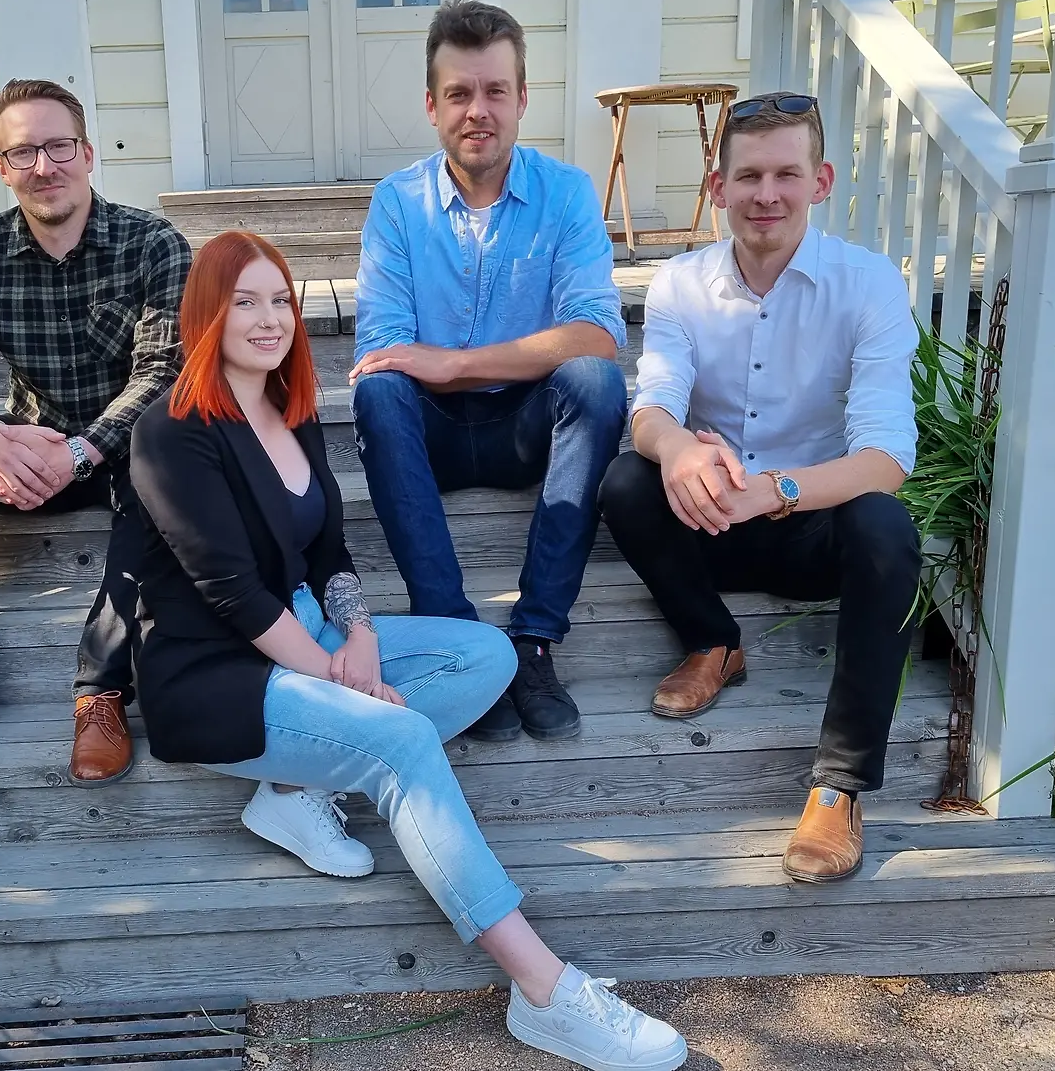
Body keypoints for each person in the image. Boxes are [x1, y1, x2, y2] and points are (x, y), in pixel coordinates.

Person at [130, 231, 688, 1071]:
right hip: (217, 672)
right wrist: (342, 682)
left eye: (280, 300)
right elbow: (232, 593)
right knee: (403, 740)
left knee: (487, 656)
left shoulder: (288, 410)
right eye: (244, 302)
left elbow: (328, 551)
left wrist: (357, 633)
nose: (269, 318)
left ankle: (292, 788)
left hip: (310, 632)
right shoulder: (169, 432)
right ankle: (544, 990)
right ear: (206, 314)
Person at [597, 92, 923, 884]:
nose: (766, 195)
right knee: (629, 481)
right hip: (711, 518)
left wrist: (777, 488)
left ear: (821, 181)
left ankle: (838, 787)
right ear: (718, 187)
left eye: (785, 174)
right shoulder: (679, 283)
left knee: (887, 529)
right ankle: (714, 641)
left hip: (812, 524)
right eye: (748, 176)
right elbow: (653, 407)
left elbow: (886, 457)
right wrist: (680, 448)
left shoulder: (868, 284)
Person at [0, 79, 192, 787]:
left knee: (167, 450)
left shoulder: (153, 244)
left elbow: (164, 371)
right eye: (23, 152)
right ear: (2, 167)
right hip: (28, 453)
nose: (44, 166)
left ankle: (101, 691)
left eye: (58, 147)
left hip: (122, 452)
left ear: (87, 153)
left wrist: (84, 450)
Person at [349, 0, 629, 745]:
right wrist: (440, 367)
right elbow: (383, 348)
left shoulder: (565, 192)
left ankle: (533, 641)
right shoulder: (397, 203)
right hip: (431, 436)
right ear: (432, 106)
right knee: (378, 390)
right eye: (459, 93)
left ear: (522, 98)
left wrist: (457, 361)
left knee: (597, 383)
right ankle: (457, 637)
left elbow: (598, 335)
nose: (478, 110)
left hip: (523, 429)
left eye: (495, 90)